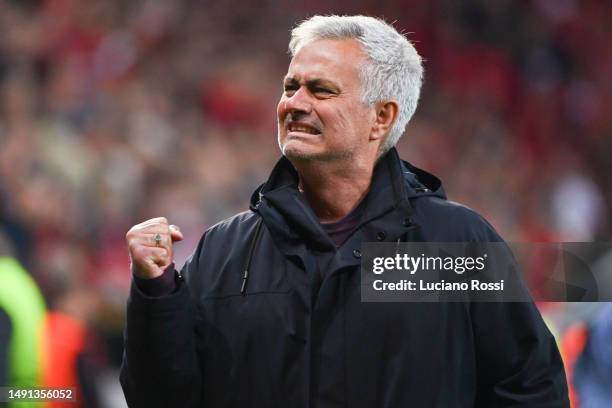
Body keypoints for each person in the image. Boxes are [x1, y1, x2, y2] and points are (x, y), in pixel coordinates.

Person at [120, 15, 569, 407]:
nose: (294, 103)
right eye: (291, 86)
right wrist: (157, 296)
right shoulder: (224, 250)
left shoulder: (453, 244)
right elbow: (161, 398)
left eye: (321, 90)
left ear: (382, 117)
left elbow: (529, 388)